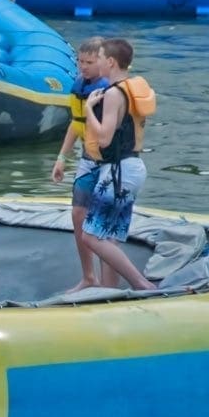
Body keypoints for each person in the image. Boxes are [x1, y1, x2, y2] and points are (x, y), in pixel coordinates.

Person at [80, 38, 154, 291]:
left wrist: (89, 110)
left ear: (110, 62)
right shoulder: (130, 89)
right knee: (109, 237)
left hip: (118, 171)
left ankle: (141, 284)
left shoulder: (113, 94)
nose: (97, 62)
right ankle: (108, 291)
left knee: (90, 236)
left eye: (100, 58)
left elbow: (104, 138)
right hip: (132, 167)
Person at [50, 37, 114, 291]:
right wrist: (61, 158)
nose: (83, 67)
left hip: (109, 163)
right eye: (81, 61)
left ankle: (109, 282)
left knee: (104, 222)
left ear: (103, 61)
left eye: (89, 62)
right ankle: (89, 276)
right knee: (78, 214)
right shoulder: (78, 86)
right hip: (88, 160)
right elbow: (76, 124)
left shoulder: (110, 90)